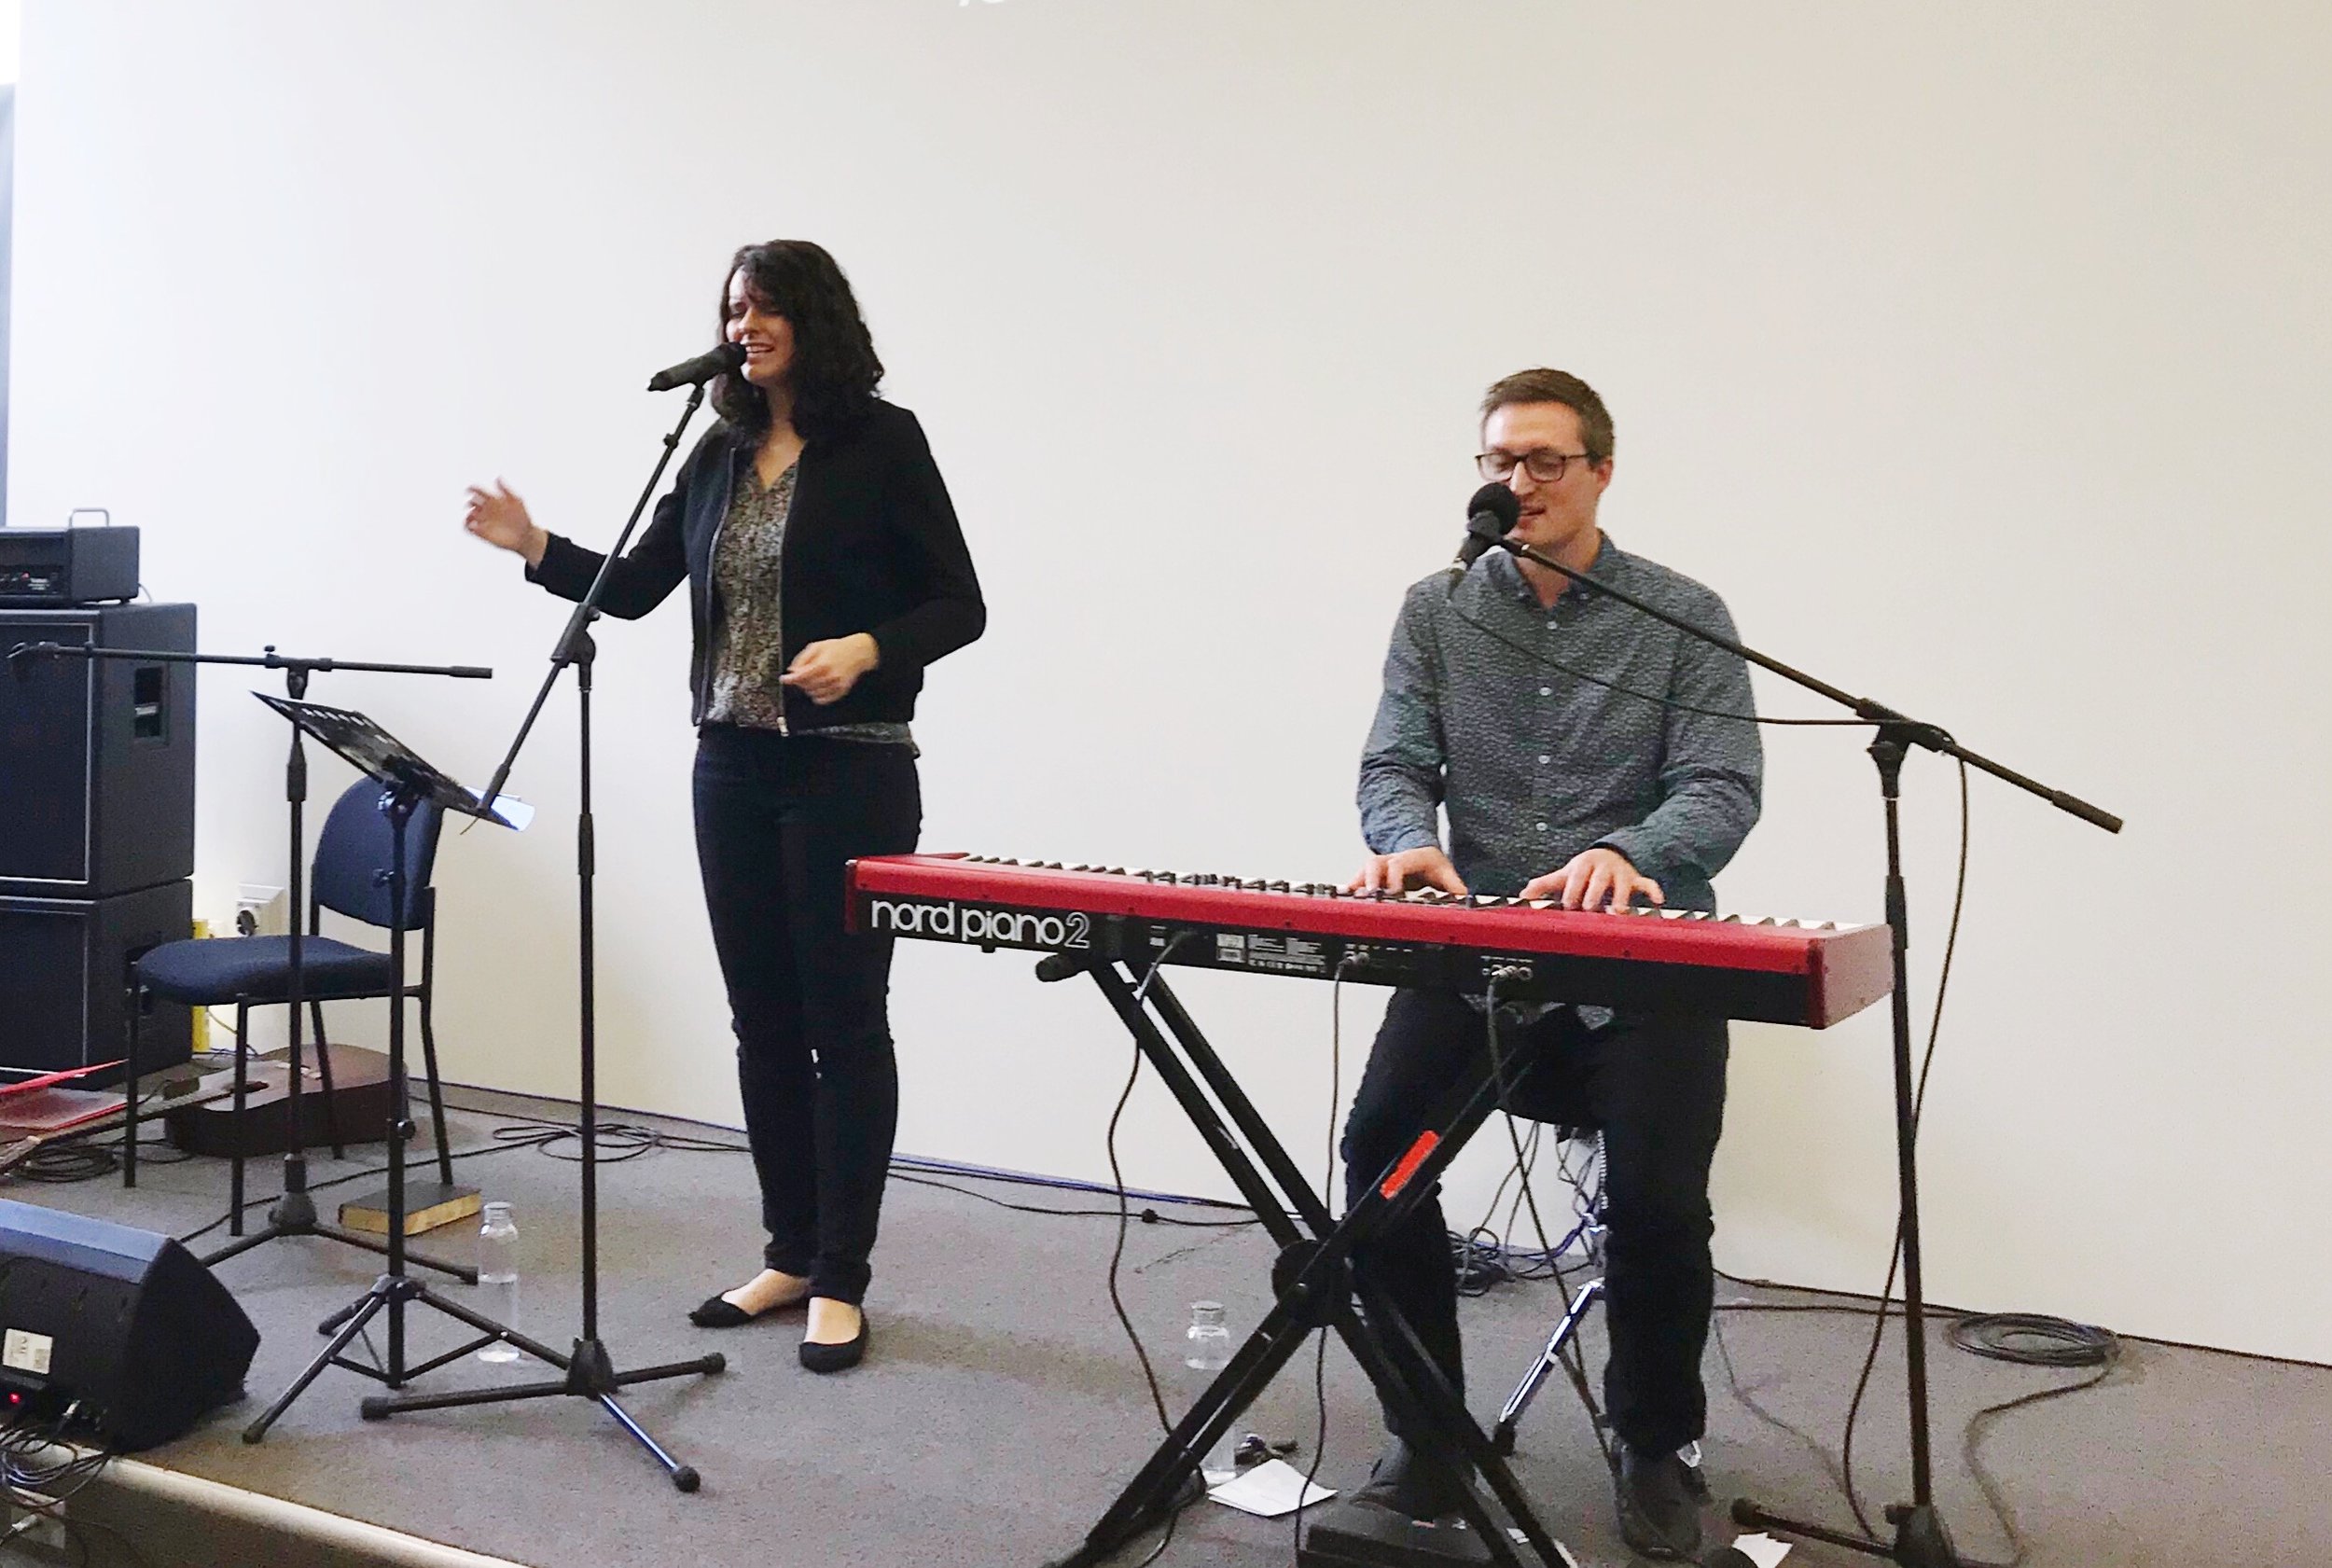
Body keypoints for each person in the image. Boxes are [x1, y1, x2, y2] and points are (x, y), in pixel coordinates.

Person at [463, 239, 984, 1373]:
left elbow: (961, 601)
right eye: (733, 307)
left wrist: (867, 646)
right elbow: (643, 587)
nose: (744, 323)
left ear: (812, 319)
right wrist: (535, 546)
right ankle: (790, 1252)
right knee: (762, 1022)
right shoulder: (713, 451)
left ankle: (843, 1274)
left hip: (850, 766)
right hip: (732, 767)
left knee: (843, 1024)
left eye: (764, 306)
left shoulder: (882, 443)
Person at [1343, 368, 1760, 1557]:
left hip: (1643, 967)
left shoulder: (1684, 614)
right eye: (1498, 463)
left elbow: (1722, 786)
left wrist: (1627, 851)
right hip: (1479, 958)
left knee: (1658, 1203)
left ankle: (1654, 1443)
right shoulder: (1437, 610)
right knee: (1380, 1158)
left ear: (1599, 472)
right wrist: (1405, 844)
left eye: (1542, 462)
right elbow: (1391, 763)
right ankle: (1424, 1430)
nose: (1517, 484)